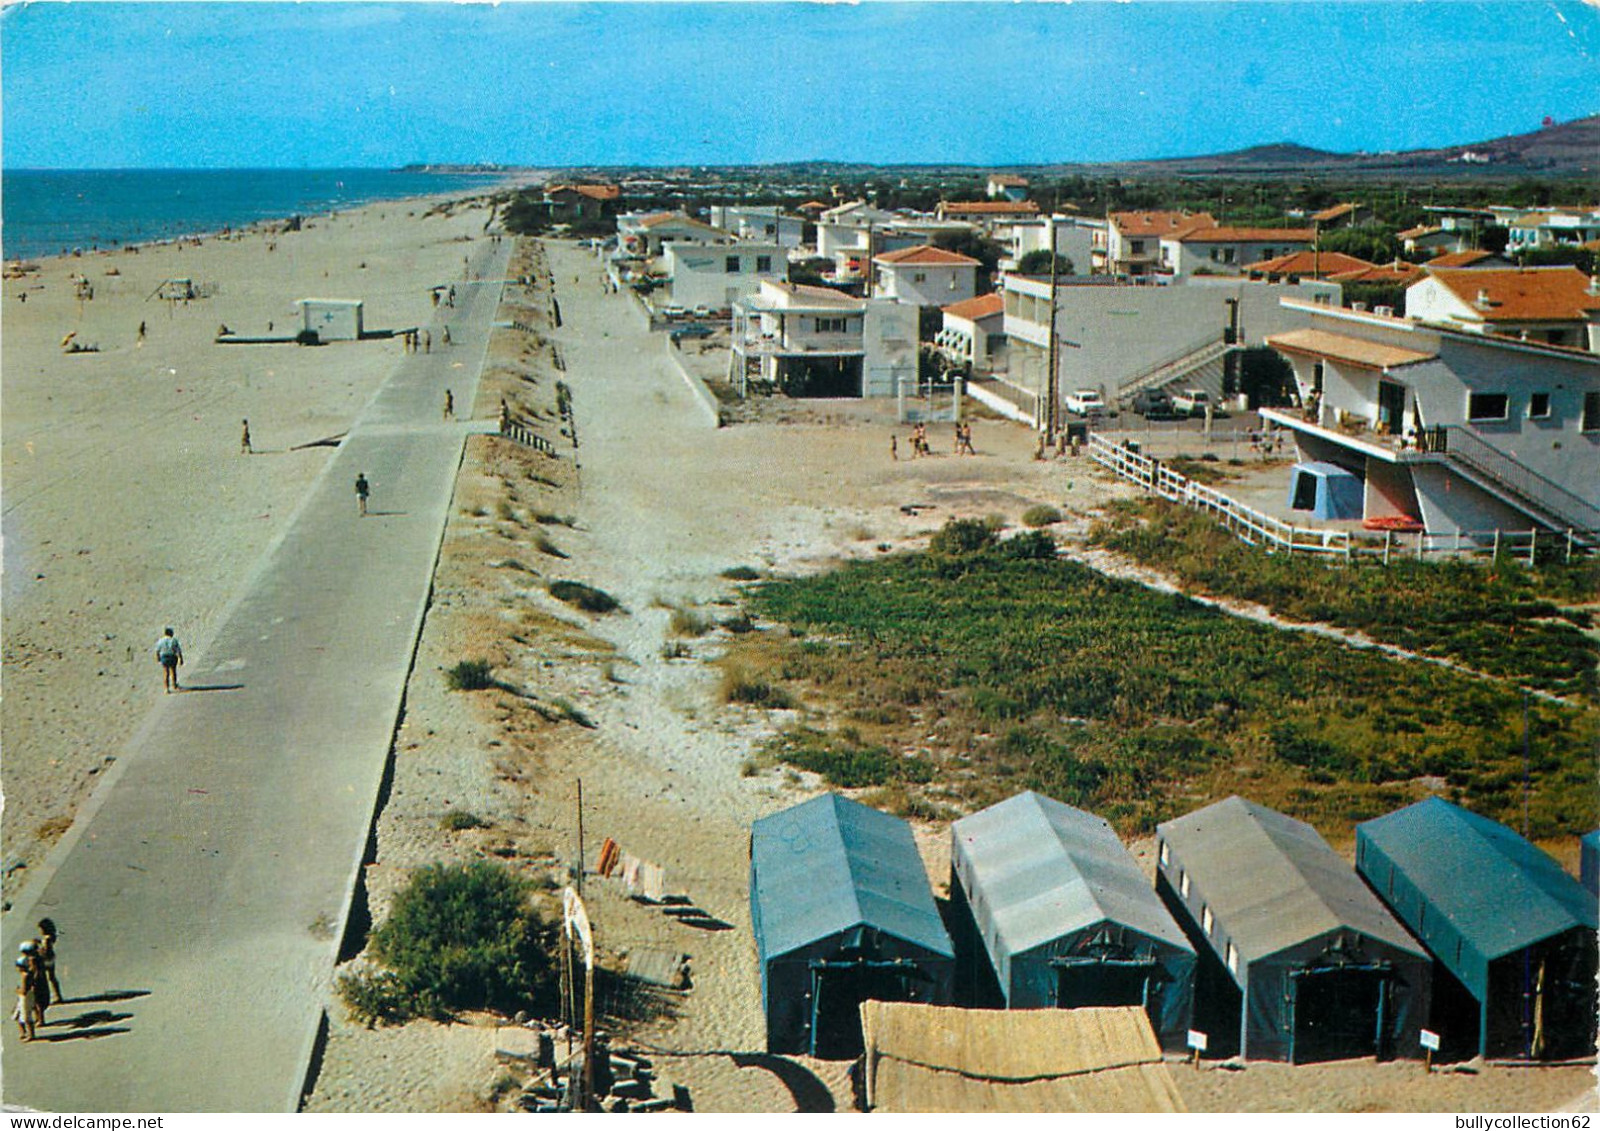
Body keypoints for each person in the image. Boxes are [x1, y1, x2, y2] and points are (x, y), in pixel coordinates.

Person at [37, 920, 61, 1004]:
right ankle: (57, 995)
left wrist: (39, 951)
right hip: (51, 959)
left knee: (42, 978)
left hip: (45, 960)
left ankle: (44, 997)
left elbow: (46, 950)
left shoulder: (47, 939)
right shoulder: (51, 937)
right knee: (52, 977)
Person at [155, 627, 183, 692]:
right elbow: (178, 650)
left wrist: (158, 658)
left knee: (165, 672)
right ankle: (174, 685)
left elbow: (157, 650)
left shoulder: (161, 640)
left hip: (164, 656)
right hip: (172, 656)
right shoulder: (174, 640)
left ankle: (166, 688)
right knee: (173, 671)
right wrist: (180, 658)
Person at [13, 956, 35, 1042]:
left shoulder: (25, 976)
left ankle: (31, 1034)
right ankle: (23, 1032)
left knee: (26, 1017)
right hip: (24, 997)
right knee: (17, 1015)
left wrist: (17, 990)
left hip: (25, 998)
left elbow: (24, 991)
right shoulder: (27, 974)